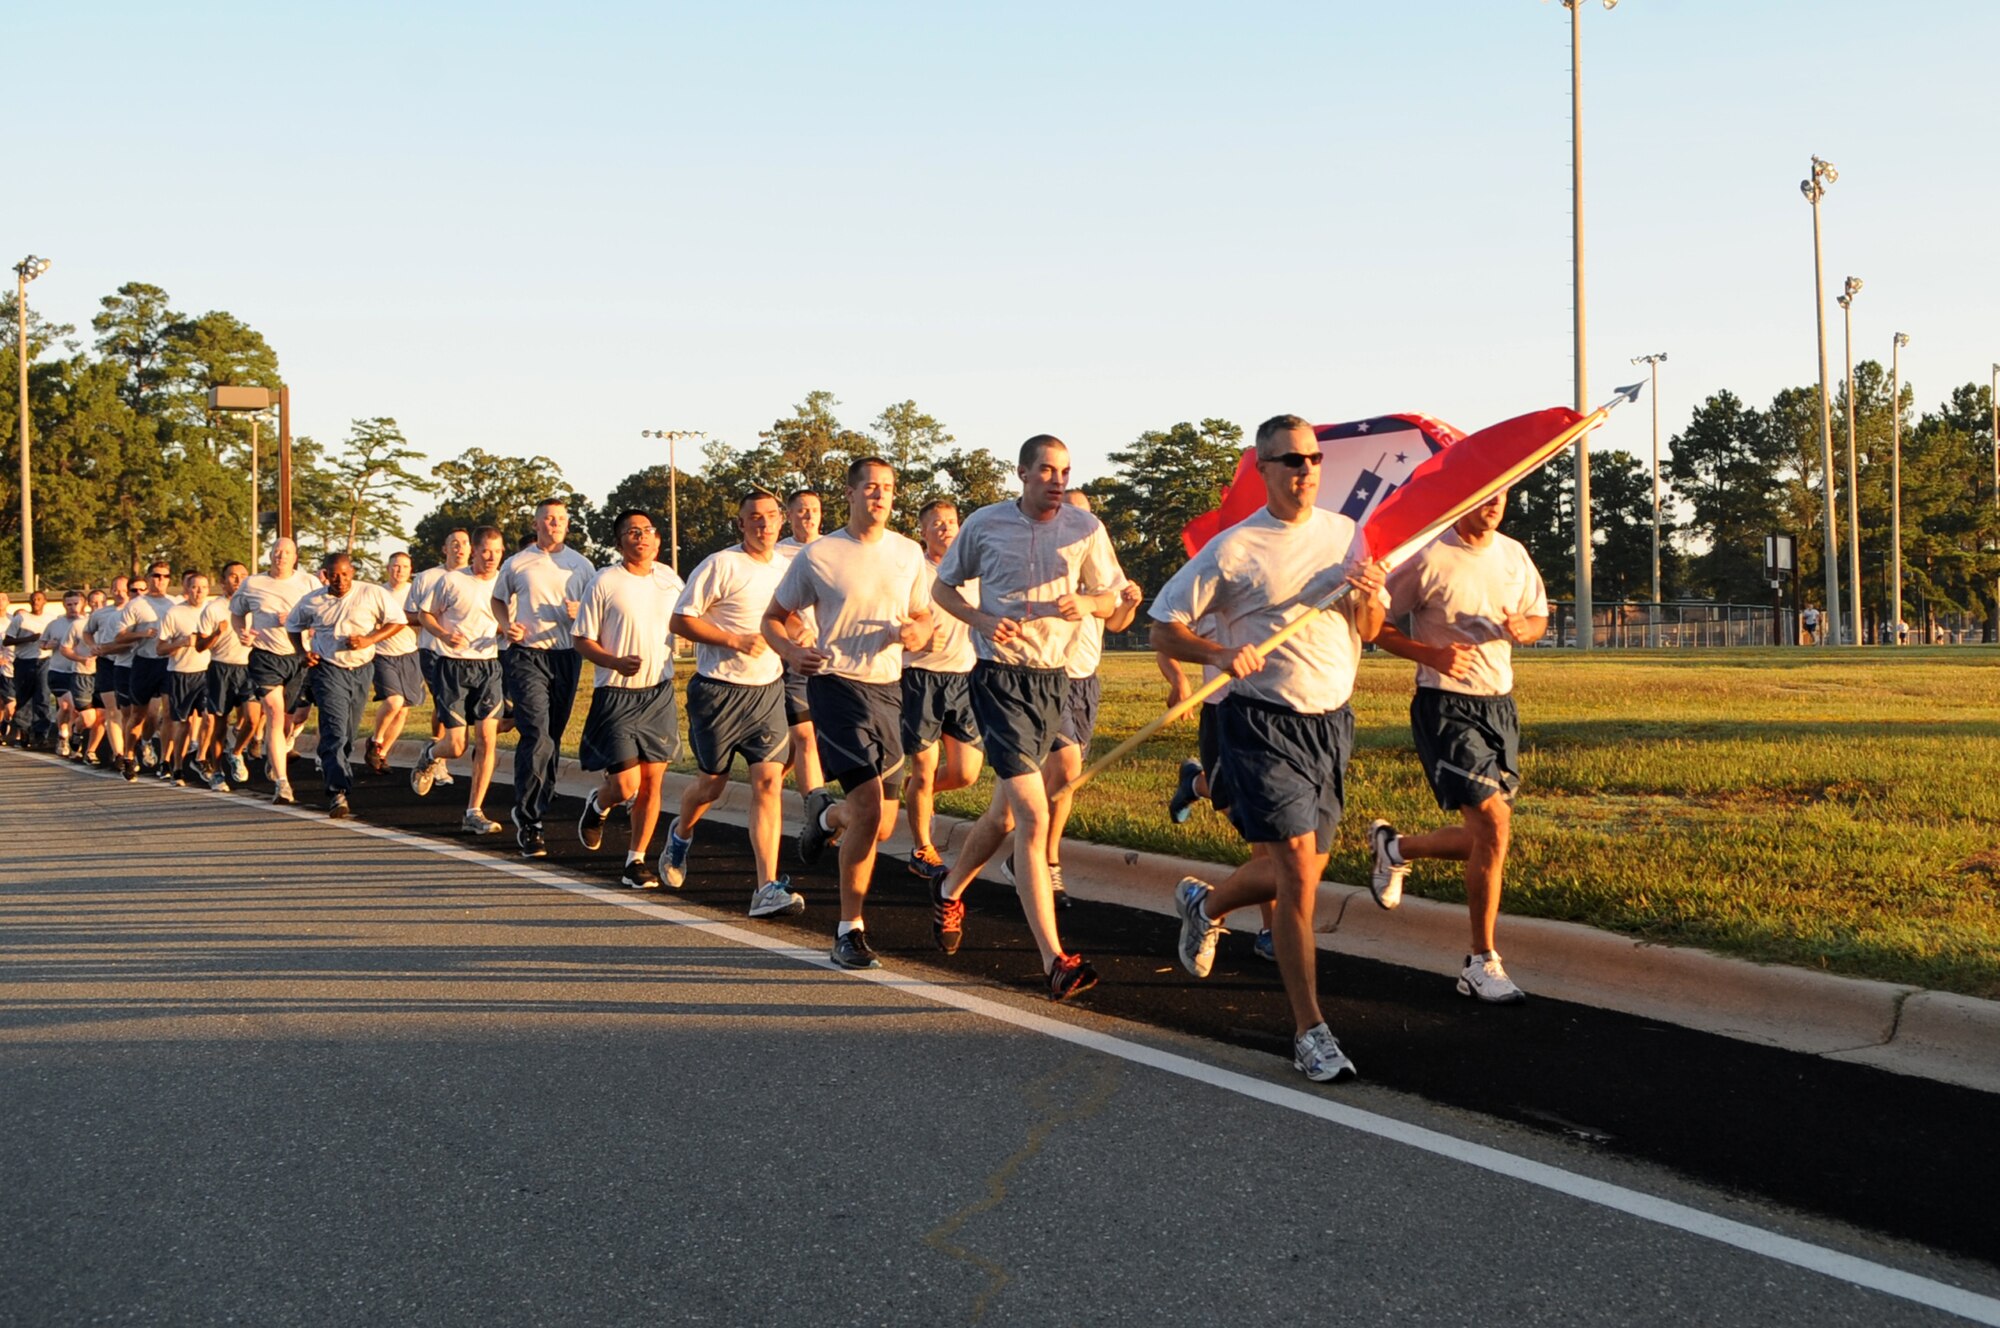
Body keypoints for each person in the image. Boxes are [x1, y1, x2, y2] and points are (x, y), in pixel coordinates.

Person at [1152, 413, 1389, 1083]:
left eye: (1312, 458)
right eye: (1289, 460)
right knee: (1291, 876)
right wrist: (1221, 652)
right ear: (1263, 468)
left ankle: (1206, 905)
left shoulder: (1348, 536)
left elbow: (1368, 629)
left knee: (1307, 875)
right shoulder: (1235, 548)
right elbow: (1163, 629)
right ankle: (1310, 1030)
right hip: (1260, 722)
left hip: (1330, 722)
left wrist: (1368, 599)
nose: (1305, 469)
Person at [928, 435, 1126, 1001]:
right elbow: (943, 586)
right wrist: (981, 619)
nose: (1057, 480)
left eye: (1064, 470)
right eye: (1046, 470)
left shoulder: (1086, 529)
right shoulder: (986, 524)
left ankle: (950, 886)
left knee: (1009, 817)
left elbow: (1111, 597)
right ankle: (1055, 960)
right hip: (998, 679)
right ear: (1022, 473)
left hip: (1056, 681)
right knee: (1035, 819)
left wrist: (1087, 604)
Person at [1369, 487, 1546, 1004]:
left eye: (1504, 493)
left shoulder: (1513, 554)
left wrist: (1525, 630)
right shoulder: (1429, 555)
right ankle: (1480, 960)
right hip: (1444, 703)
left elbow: (1538, 616)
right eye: (1484, 493)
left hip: (1500, 705)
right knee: (1494, 824)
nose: (1493, 503)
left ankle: (1394, 848)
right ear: (1465, 497)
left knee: (1486, 837)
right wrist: (1432, 654)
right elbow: (1377, 625)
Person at [763, 458, 932, 970]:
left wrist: (917, 634)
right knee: (870, 809)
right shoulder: (820, 554)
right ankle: (849, 930)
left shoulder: (909, 552)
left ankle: (824, 815)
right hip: (835, 687)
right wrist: (793, 654)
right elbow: (774, 619)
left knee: (878, 825)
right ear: (851, 494)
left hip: (889, 689)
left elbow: (924, 616)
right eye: (871, 488)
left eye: (888, 489)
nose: (880, 497)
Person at [665, 491, 802, 917]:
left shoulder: (789, 567)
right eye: (754, 519)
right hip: (718, 691)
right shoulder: (720, 565)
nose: (764, 525)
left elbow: (793, 616)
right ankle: (681, 833)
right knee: (713, 785)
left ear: (781, 521)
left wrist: (800, 635)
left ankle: (766, 887)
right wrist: (734, 640)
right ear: (741, 524)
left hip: (766, 690)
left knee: (767, 783)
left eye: (770, 517)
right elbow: (680, 619)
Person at [1004, 490, 1141, 906]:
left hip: (1086, 681)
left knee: (1066, 782)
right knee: (1066, 765)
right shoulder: (1046, 569)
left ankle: (1040, 855)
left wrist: (1129, 604)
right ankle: (1036, 857)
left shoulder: (1101, 579)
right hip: (1049, 678)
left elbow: (1115, 623)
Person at [573, 509, 685, 888]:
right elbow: (582, 639)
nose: (642, 537)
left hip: (659, 694)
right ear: (619, 542)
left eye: (648, 530)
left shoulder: (670, 579)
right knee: (625, 787)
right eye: (632, 532)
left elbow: (690, 616)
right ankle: (599, 803)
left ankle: (635, 860)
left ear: (657, 538)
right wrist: (614, 661)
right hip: (616, 695)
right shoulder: (605, 581)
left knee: (653, 783)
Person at [492, 500, 594, 858]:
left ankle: (538, 800)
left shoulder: (581, 565)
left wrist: (581, 612)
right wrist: (506, 625)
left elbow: (597, 611)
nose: (555, 524)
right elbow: (498, 600)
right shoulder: (518, 562)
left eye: (562, 519)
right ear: (536, 524)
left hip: (566, 657)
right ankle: (530, 819)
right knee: (535, 733)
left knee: (551, 737)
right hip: (527, 655)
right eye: (549, 519)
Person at [900, 498, 984, 881]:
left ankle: (918, 791)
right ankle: (922, 848)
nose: (945, 528)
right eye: (936, 523)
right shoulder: (914, 571)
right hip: (922, 677)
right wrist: (911, 637)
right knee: (925, 765)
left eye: (950, 522)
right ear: (922, 531)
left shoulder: (975, 572)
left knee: (967, 772)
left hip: (964, 679)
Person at [288, 552, 406, 818]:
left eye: (344, 574)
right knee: (335, 730)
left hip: (362, 669)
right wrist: (301, 652)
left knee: (349, 734)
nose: (339, 580)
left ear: (352, 572)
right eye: (333, 575)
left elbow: (398, 621)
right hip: (329, 669)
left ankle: (339, 770)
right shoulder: (312, 601)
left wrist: (369, 639)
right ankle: (337, 792)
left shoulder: (371, 593)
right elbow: (293, 625)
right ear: (325, 575)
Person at [411, 526, 508, 834]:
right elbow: (424, 615)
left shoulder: (505, 583)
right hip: (452, 666)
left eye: (497, 551)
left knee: (487, 740)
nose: (491, 557)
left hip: (489, 666)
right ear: (475, 552)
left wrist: (509, 629)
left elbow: (509, 619)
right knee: (456, 746)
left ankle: (474, 811)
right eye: (486, 551)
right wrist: (443, 633)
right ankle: (429, 754)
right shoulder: (451, 580)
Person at [229, 540, 321, 804]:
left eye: (287, 552)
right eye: (277, 552)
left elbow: (322, 615)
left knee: (288, 721)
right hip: (265, 656)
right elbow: (237, 614)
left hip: (299, 656)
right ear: (270, 555)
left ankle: (276, 755)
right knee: (274, 713)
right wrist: (241, 632)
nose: (281, 556)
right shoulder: (253, 584)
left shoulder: (309, 583)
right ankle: (283, 784)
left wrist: (297, 620)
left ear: (295, 557)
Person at [406, 530, 472, 791]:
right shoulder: (427, 578)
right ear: (445, 549)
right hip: (434, 651)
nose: (459, 548)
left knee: (460, 709)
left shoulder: (476, 578)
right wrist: (436, 621)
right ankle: (439, 756)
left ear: (472, 549)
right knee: (443, 704)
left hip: (472, 655)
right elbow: (411, 615)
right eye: (453, 543)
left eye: (464, 543)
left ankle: (437, 749)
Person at [772, 489, 826, 798]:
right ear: (789, 516)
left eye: (814, 510)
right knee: (804, 734)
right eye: (802, 510)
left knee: (805, 739)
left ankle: (769, 782)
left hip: (831, 655)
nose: (808, 515)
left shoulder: (835, 549)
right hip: (792, 655)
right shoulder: (778, 555)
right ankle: (814, 811)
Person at [110, 564, 182, 779]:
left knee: (168, 713)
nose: (160, 580)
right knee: (139, 715)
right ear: (149, 578)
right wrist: (141, 633)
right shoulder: (136, 605)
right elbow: (119, 636)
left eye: (165, 576)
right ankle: (130, 755)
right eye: (156, 576)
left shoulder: (175, 604)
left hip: (168, 663)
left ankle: (166, 761)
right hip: (143, 662)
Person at [199, 562, 260, 790]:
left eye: (243, 576)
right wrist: (217, 632)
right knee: (220, 723)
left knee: (253, 719)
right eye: (233, 577)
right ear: (223, 581)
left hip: (248, 668)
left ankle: (235, 753)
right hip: (220, 668)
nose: (238, 580)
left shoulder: (255, 606)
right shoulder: (213, 609)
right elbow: (199, 646)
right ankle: (216, 771)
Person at [154, 571, 216, 785]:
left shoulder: (212, 611)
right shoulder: (174, 613)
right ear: (186, 589)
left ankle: (200, 757)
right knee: (183, 723)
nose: (199, 592)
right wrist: (181, 643)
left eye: (204, 587)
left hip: (207, 672)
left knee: (210, 717)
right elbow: (160, 648)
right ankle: (177, 766)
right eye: (195, 587)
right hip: (181, 673)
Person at [364, 552, 423, 774]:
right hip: (382, 653)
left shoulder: (414, 592)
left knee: (403, 711)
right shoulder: (378, 592)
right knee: (394, 701)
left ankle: (381, 754)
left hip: (409, 653)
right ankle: (375, 739)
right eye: (395, 566)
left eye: (404, 567)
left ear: (410, 570)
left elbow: (424, 618)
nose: (399, 570)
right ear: (388, 569)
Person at [41, 591, 96, 760]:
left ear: (84, 604)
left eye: (76, 603)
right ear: (64, 605)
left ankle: (72, 736)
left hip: (80, 673)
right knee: (66, 706)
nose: (73, 607)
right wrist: (47, 644)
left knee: (77, 711)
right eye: (69, 604)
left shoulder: (88, 624)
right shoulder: (55, 624)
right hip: (59, 671)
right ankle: (62, 736)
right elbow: (42, 643)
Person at [5, 589, 62, 748]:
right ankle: (23, 730)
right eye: (33, 599)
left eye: (39, 599)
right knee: (24, 697)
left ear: (45, 602)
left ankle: (41, 734)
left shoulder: (51, 620)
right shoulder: (21, 618)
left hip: (44, 660)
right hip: (24, 661)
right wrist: (29, 638)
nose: (35, 602)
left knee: (42, 696)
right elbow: (7, 641)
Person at [84, 585, 132, 769]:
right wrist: (93, 646)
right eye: (116, 590)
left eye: (124, 589)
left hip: (129, 662)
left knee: (131, 711)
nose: (120, 593)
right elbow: (87, 632)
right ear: (111, 592)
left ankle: (132, 749)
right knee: (113, 711)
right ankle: (119, 754)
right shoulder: (102, 613)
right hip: (107, 663)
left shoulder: (136, 611)